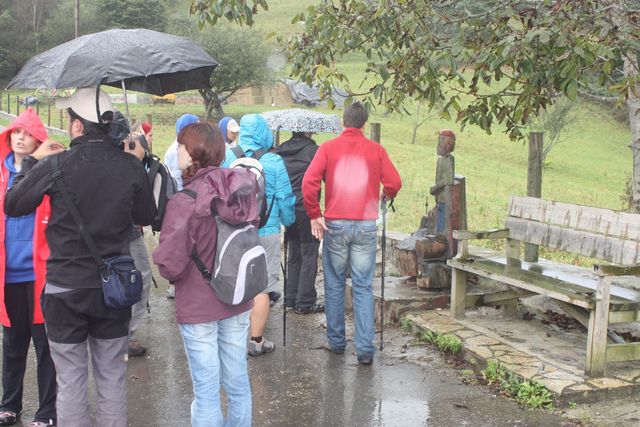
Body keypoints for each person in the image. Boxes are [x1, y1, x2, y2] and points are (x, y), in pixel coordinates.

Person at [5, 87, 156, 427]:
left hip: (65, 290)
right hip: (113, 289)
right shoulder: (128, 167)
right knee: (111, 377)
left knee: (70, 380)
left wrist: (33, 161)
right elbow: (148, 214)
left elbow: (13, 205)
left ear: (76, 126)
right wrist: (138, 162)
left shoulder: (56, 165)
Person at [153, 122, 254, 427]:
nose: (178, 150)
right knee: (238, 383)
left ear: (193, 153)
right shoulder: (240, 190)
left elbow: (170, 264)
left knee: (207, 391)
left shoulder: (184, 201)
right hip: (237, 296)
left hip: (199, 306)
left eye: (181, 145)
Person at [302, 102, 402, 365]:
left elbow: (309, 183)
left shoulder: (328, 148)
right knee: (362, 285)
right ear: (364, 124)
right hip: (366, 224)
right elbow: (394, 182)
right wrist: (384, 195)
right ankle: (365, 349)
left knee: (334, 283)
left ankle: (337, 342)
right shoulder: (376, 150)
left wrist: (314, 214)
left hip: (335, 223)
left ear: (343, 122)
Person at [0, 108, 58, 427]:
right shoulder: (0, 171)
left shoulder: (48, 171)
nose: (20, 138)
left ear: (39, 139)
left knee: (46, 344)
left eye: (27, 133)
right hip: (8, 274)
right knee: (12, 343)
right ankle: (9, 405)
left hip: (41, 274)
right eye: (16, 132)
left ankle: (47, 411)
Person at [222, 114, 295, 356]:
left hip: (236, 232)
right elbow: (285, 198)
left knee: (237, 283)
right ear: (265, 132)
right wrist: (289, 221)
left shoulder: (231, 157)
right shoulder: (274, 162)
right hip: (267, 232)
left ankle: (232, 339)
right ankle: (256, 341)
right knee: (262, 287)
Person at [276, 132, 323, 314]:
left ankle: (290, 297)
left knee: (294, 253)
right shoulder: (313, 152)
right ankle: (305, 301)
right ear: (308, 131)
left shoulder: (281, 152)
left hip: (288, 208)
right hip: (307, 209)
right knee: (309, 253)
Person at [164, 114, 199, 299]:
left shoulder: (179, 148)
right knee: (182, 245)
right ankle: (177, 285)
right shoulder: (176, 151)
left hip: (180, 201)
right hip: (182, 202)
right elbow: (178, 180)